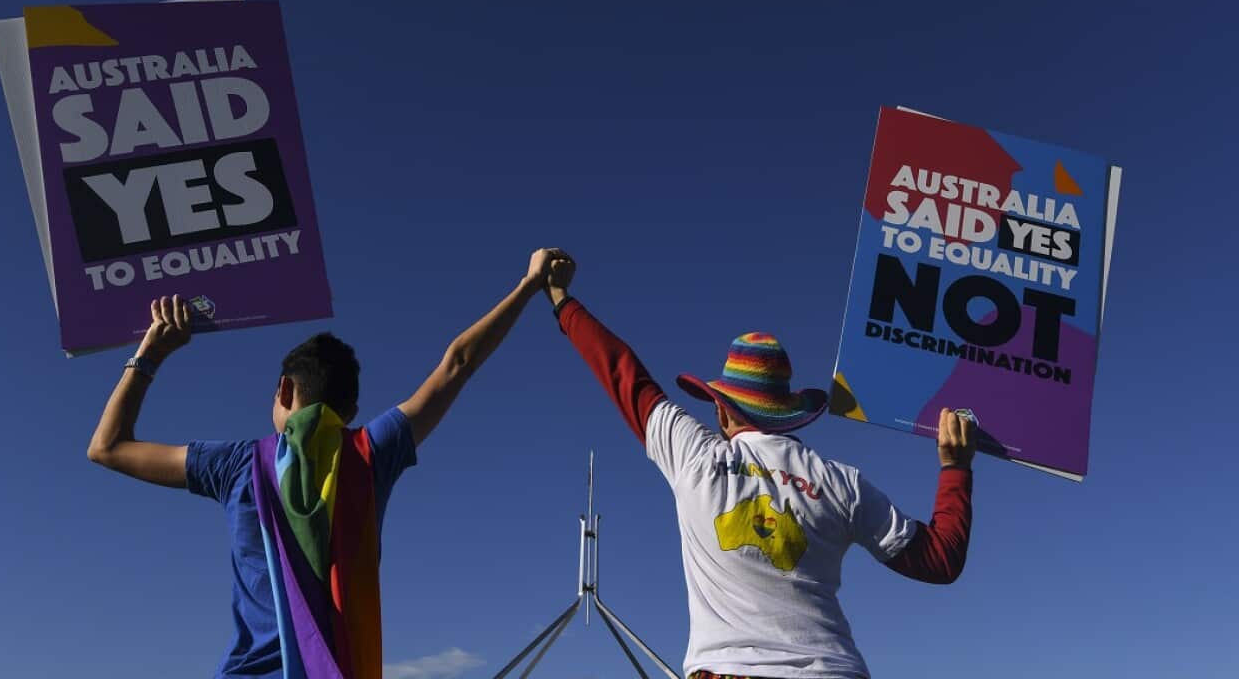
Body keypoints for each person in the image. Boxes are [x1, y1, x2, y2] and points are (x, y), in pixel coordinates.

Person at [86, 247, 570, 678]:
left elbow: (107, 447)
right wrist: (529, 286)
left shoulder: (236, 466)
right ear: (351, 414)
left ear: (283, 390)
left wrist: (150, 352)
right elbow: (457, 363)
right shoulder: (371, 452)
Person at [542, 257, 975, 679]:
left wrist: (561, 298)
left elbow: (623, 373)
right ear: (786, 411)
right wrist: (955, 465)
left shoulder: (695, 456)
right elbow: (938, 559)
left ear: (722, 408)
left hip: (729, 671)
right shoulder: (843, 483)